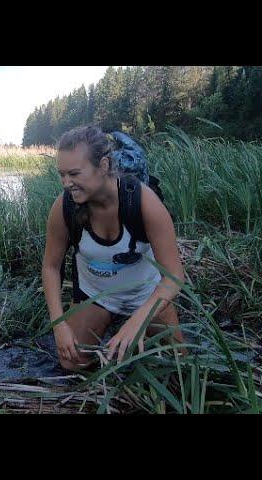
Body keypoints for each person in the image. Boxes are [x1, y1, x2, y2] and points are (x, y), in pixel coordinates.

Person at [41, 125, 185, 371]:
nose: (66, 183)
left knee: (177, 367)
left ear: (104, 165)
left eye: (75, 174)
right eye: (62, 174)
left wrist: (139, 320)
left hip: (145, 294)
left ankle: (132, 326)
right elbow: (51, 266)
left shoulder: (143, 202)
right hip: (97, 293)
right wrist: (59, 325)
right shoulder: (63, 207)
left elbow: (174, 277)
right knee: (71, 363)